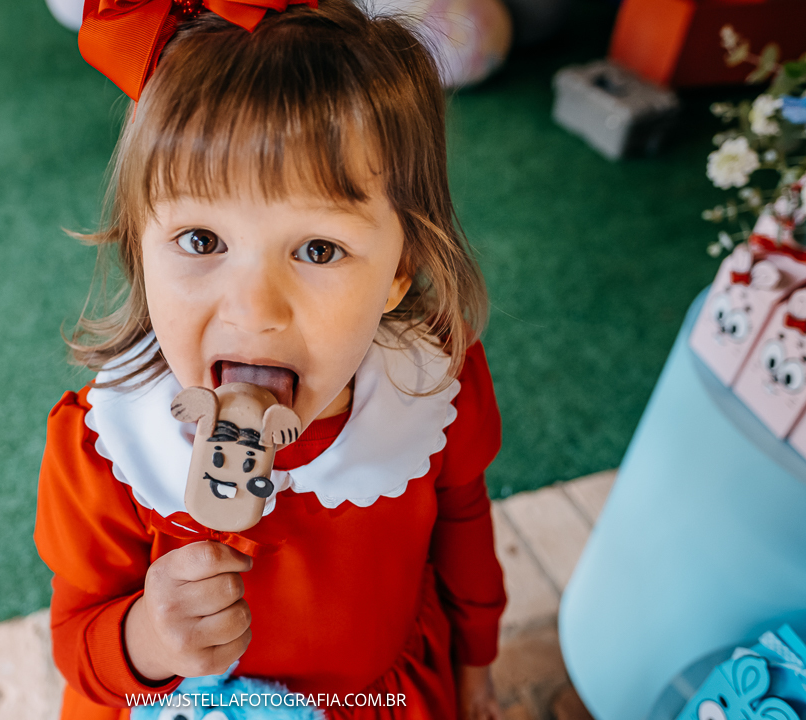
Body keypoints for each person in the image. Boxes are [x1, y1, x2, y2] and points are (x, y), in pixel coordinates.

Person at [34, 1, 508, 718]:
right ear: (139, 246)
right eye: (200, 240)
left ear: (400, 269)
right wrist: (149, 641)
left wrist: (477, 662)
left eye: (319, 249)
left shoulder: (431, 390)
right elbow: (77, 645)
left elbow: (463, 527)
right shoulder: (108, 445)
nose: (254, 310)